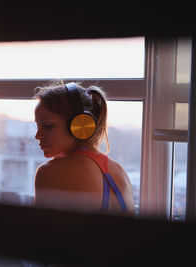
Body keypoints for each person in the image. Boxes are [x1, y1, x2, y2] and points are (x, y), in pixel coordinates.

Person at [33, 80, 135, 215]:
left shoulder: (49, 172)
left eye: (48, 126)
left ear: (78, 124)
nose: (38, 136)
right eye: (37, 126)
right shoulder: (119, 173)